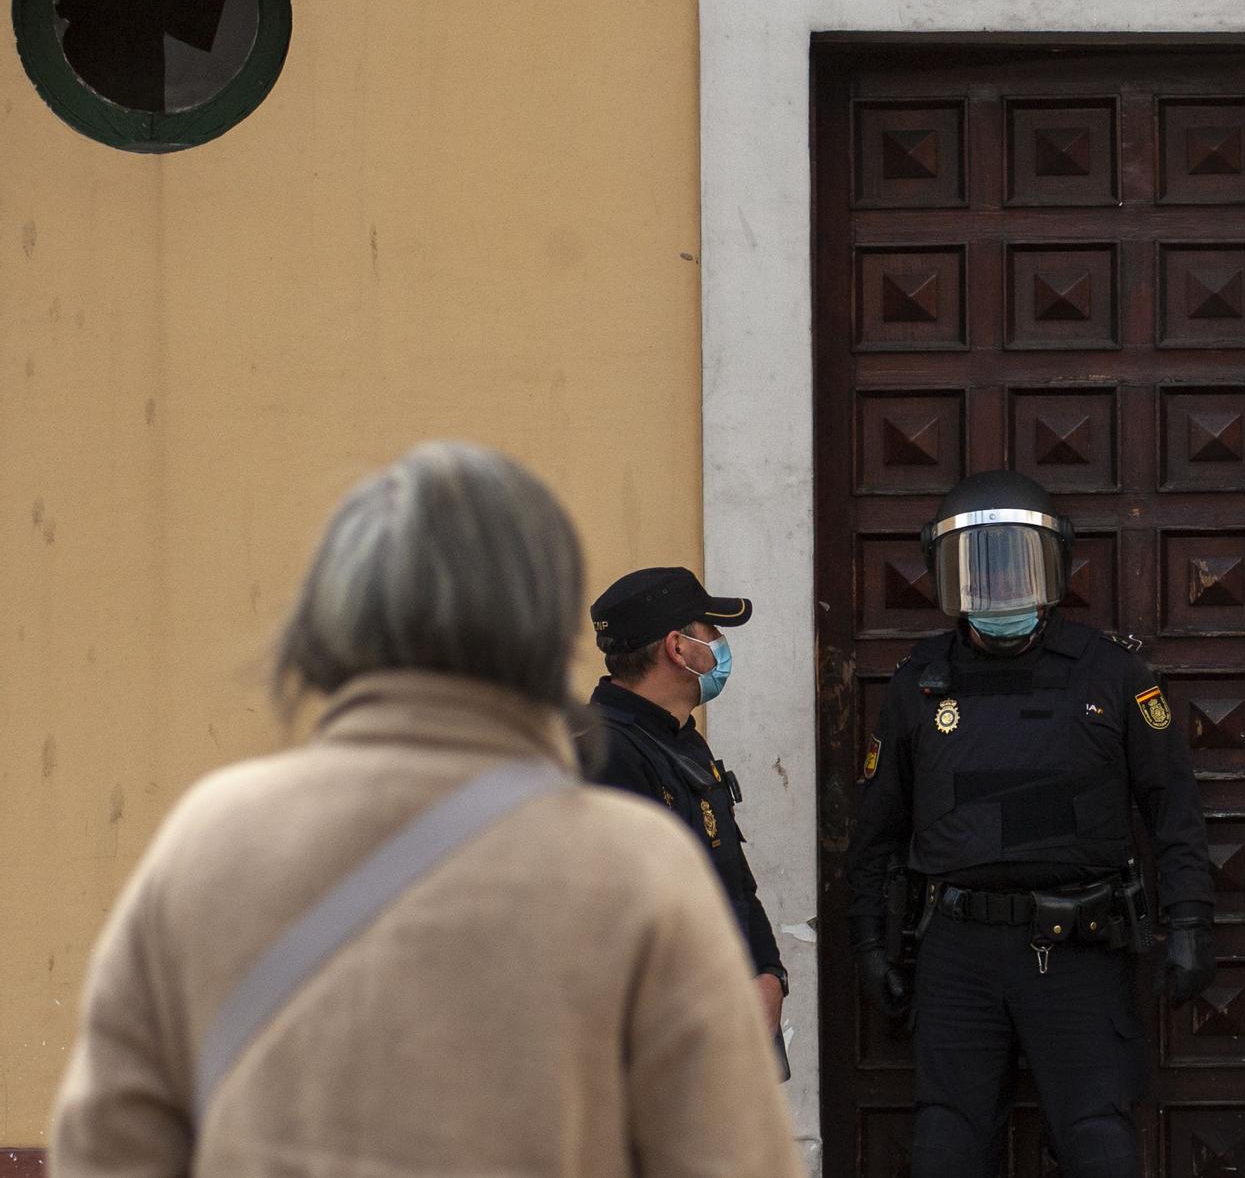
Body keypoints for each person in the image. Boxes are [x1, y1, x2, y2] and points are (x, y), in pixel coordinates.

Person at [48, 442, 803, 1178]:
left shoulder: (208, 839)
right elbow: (728, 1151)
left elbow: (107, 1146)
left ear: (331, 624)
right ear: (536, 628)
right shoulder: (629, 858)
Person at [846, 470, 1216, 1178]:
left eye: (1017, 565)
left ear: (1055, 566)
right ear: (944, 576)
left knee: (1098, 1140)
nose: (999, 589)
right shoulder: (919, 684)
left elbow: (1172, 808)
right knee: (946, 1145)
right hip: (957, 949)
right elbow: (879, 829)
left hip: (1076, 944)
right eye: (977, 570)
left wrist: (1191, 921)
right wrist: (869, 941)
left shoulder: (1111, 674)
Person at [580, 566, 786, 1034]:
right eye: (711, 632)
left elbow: (732, 877)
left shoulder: (678, 737)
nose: (720, 644)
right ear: (678, 648)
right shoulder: (604, 754)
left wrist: (771, 976)